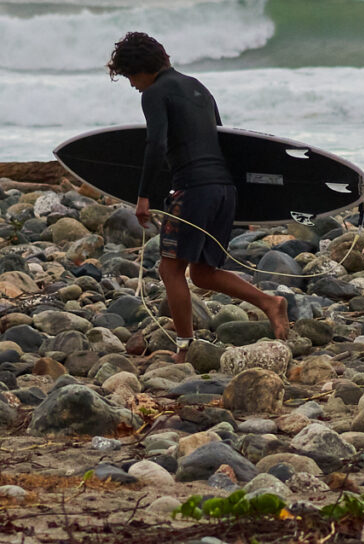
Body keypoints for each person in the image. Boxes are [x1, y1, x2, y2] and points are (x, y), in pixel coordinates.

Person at [107, 31, 289, 359]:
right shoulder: (199, 88)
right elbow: (225, 140)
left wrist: (144, 196)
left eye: (130, 76)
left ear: (141, 68)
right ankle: (270, 302)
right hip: (223, 189)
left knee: (170, 270)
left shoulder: (155, 93)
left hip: (193, 190)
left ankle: (184, 347)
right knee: (203, 274)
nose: (132, 84)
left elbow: (156, 144)